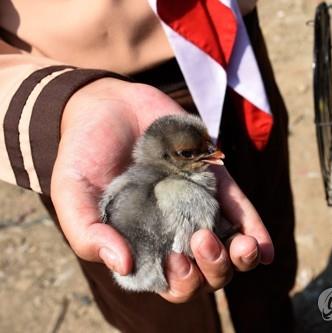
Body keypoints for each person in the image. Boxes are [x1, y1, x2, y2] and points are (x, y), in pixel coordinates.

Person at [0, 1, 297, 332]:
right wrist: (62, 101)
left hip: (230, 45)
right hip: (79, 95)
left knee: (265, 257)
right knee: (161, 314)